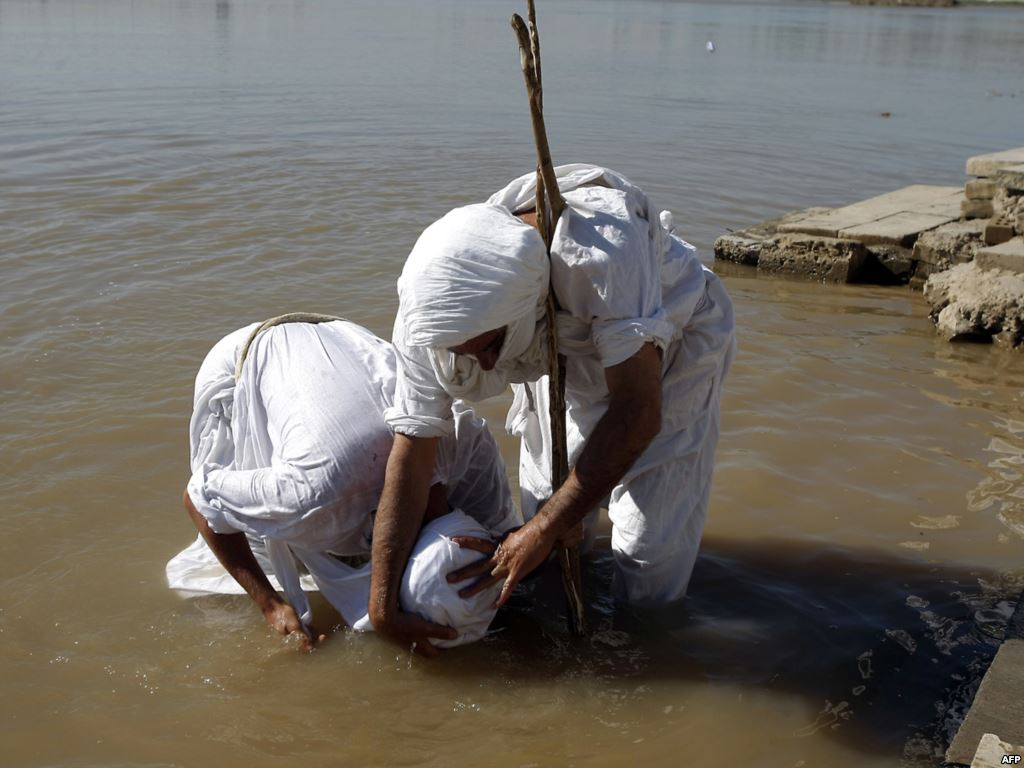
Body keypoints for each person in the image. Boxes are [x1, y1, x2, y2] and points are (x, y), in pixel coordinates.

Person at [369, 164, 736, 654]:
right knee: (550, 515)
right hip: (556, 348)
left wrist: (543, 530)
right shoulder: (434, 315)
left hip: (671, 347)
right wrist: (382, 607)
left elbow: (637, 412)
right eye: (465, 353)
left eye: (488, 347)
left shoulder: (603, 249)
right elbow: (412, 453)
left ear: (526, 305)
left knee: (651, 555)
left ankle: (649, 659)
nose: (481, 365)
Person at [166, 318, 520, 653]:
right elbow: (197, 498)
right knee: (264, 535)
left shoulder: (466, 441)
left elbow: (506, 544)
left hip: (339, 338)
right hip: (242, 360)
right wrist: (270, 604)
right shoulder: (305, 497)